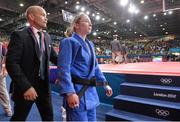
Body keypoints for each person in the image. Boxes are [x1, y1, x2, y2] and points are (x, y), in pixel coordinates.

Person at [57, 13, 113, 121]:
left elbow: (95, 67)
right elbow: (63, 69)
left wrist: (105, 84)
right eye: (87, 21)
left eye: (91, 22)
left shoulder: (90, 44)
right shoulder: (68, 42)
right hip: (77, 92)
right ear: (76, 25)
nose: (90, 24)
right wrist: (70, 92)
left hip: (90, 92)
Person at [6, 5, 57, 121]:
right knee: (19, 118)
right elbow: (12, 63)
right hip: (26, 88)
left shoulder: (47, 37)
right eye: (43, 15)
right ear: (32, 16)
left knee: (49, 118)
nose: (46, 18)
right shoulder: (19, 35)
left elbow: (55, 58)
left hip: (44, 87)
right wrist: (26, 87)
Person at [0, 41, 12, 117]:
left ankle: (8, 109)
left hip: (0, 74)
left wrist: (5, 70)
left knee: (3, 92)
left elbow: (7, 59)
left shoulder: (2, 47)